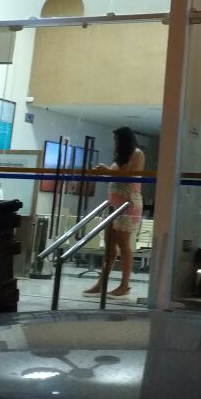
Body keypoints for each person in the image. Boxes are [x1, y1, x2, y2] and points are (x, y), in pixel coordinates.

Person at [84, 126, 144, 298]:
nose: (115, 143)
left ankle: (124, 285)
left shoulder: (137, 154)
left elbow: (128, 175)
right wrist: (103, 173)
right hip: (114, 205)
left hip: (128, 204)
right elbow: (114, 177)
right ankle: (101, 283)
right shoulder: (120, 157)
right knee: (110, 244)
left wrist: (107, 171)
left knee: (123, 243)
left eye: (117, 140)